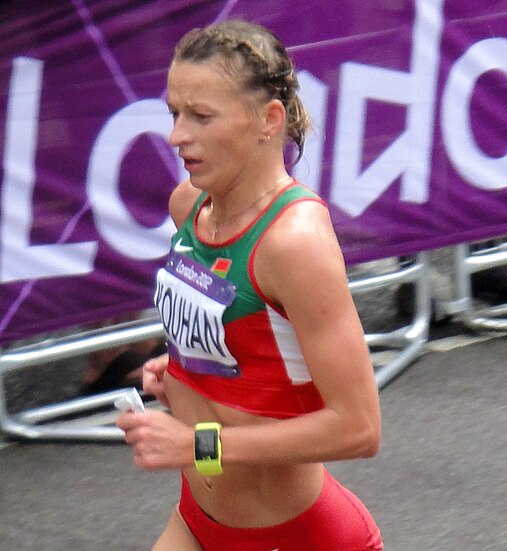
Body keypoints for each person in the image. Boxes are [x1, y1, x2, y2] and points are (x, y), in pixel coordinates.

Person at [116, 19, 383, 551]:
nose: (176, 136)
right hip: (198, 521)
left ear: (269, 119)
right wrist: (184, 368)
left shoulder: (295, 242)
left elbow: (359, 429)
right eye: (174, 113)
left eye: (202, 116)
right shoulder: (188, 206)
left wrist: (197, 443)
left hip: (297, 539)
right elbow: (255, 343)